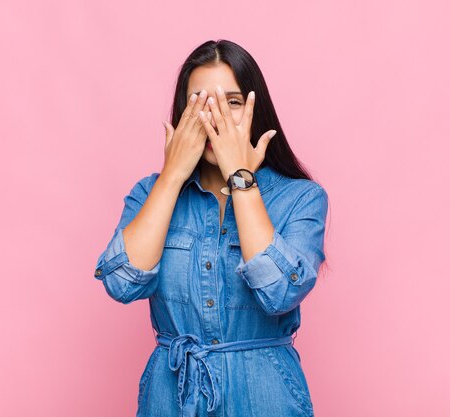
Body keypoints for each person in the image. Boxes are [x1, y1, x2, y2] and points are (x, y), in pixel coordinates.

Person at [93, 39, 329, 417]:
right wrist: (172, 176)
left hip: (266, 397)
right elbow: (121, 283)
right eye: (200, 103)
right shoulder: (149, 193)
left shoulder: (301, 198)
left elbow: (280, 293)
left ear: (257, 110)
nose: (215, 116)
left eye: (232, 102)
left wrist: (241, 176)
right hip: (170, 399)